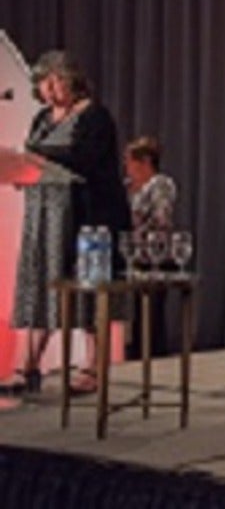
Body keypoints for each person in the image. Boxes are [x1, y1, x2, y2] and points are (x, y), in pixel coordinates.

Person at [12, 50, 131, 394]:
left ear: (73, 80)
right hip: (44, 217)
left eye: (56, 80)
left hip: (86, 215)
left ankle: (92, 368)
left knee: (89, 290)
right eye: (43, 82)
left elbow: (83, 160)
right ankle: (28, 367)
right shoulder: (42, 118)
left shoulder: (95, 117)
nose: (49, 89)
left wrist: (36, 156)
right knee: (41, 286)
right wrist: (21, 169)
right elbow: (36, 156)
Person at [123, 135, 176, 358]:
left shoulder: (161, 184)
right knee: (134, 316)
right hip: (132, 257)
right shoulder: (127, 186)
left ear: (145, 161)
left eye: (130, 162)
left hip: (155, 259)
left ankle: (153, 355)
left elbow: (161, 219)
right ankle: (134, 353)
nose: (126, 167)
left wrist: (133, 222)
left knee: (151, 316)